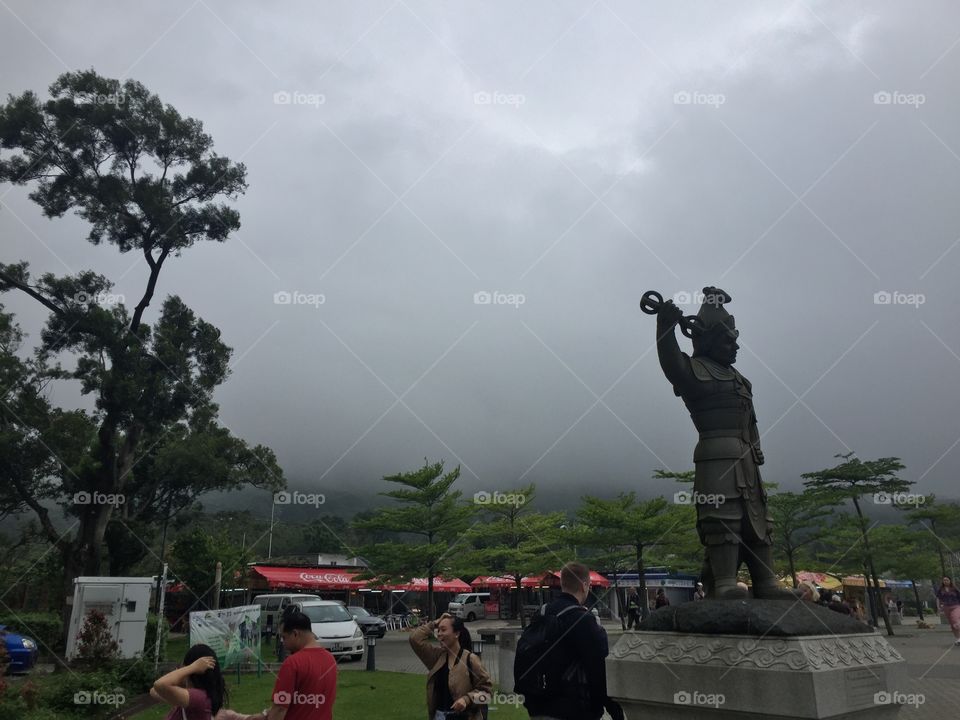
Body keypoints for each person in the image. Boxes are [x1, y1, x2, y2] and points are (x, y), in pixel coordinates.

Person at [654, 288, 789, 600]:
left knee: (758, 519)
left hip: (747, 459)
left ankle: (765, 581)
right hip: (715, 456)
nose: (735, 346)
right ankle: (725, 580)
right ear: (709, 340)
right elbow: (671, 363)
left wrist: (755, 447)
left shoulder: (742, 381)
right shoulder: (694, 371)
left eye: (735, 339)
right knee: (722, 516)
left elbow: (751, 421)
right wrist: (665, 327)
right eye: (728, 340)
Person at [519, 562, 624, 720]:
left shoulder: (541, 614)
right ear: (584, 585)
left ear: (562, 584)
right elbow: (599, 672)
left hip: (538, 707)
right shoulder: (584, 620)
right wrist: (615, 712)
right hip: (573, 709)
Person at [222, 610, 337, 720]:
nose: (284, 643)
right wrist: (265, 714)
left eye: (284, 637)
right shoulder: (330, 660)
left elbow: (280, 707)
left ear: (295, 634)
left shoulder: (293, 663)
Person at [409, 611, 492, 720]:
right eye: (438, 630)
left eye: (443, 630)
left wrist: (466, 700)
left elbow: (487, 695)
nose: (439, 634)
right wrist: (434, 623)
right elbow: (415, 639)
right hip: (439, 717)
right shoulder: (437, 657)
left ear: (456, 633)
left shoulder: (470, 660)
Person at [151, 643, 227, 720]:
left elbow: (160, 685)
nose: (181, 669)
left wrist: (191, 667)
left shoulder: (199, 698)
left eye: (183, 666)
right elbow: (154, 691)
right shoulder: (197, 696)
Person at [936, 576, 960, 645]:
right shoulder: (941, 589)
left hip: (956, 606)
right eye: (944, 580)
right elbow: (938, 598)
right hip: (946, 607)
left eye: (947, 580)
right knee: (952, 624)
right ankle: (958, 638)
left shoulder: (954, 588)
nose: (945, 581)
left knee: (955, 620)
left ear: (950, 581)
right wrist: (938, 607)